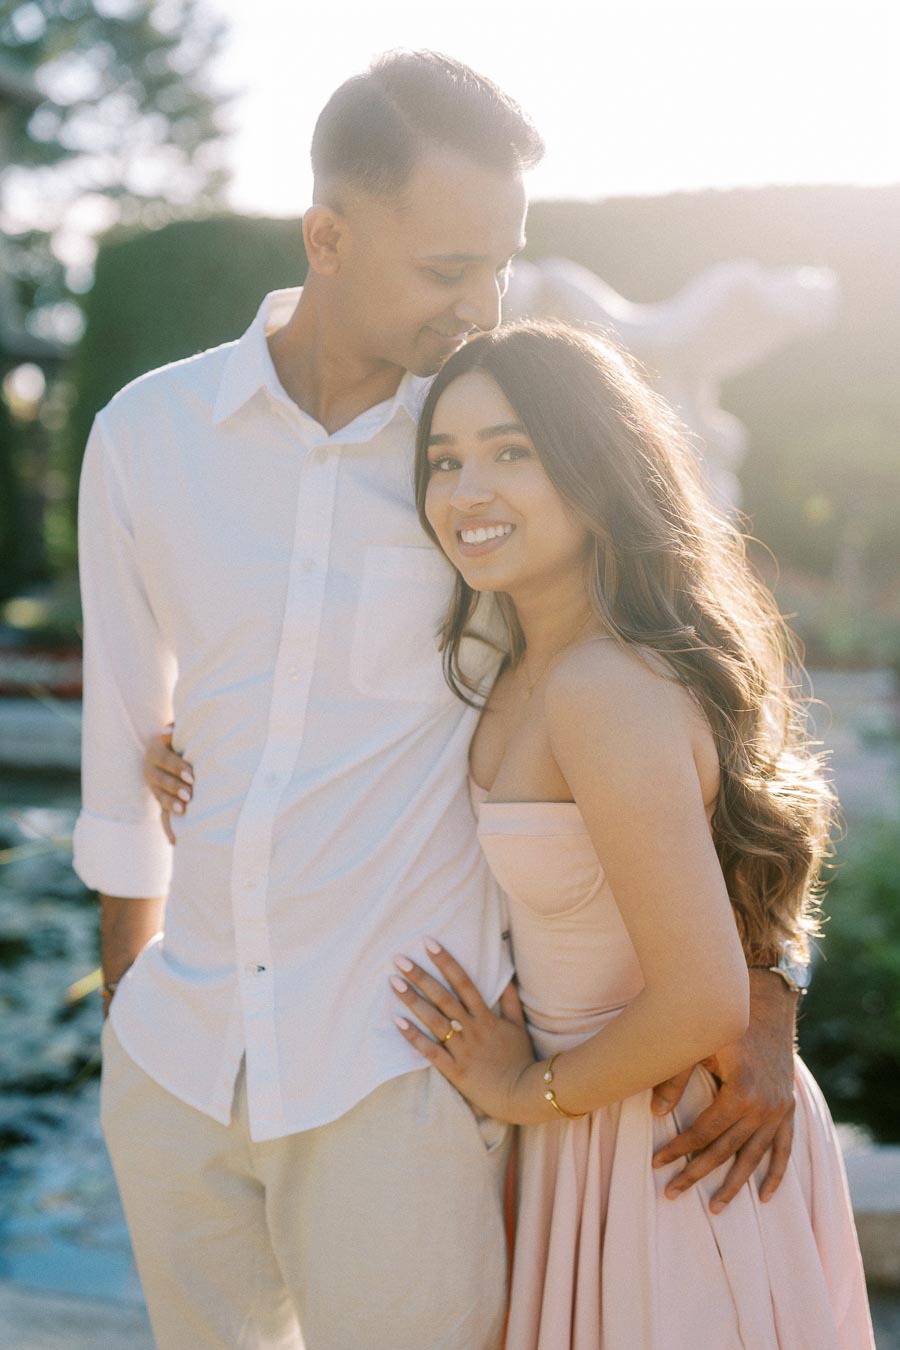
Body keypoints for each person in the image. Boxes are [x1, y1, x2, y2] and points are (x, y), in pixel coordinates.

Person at [90, 49, 794, 1350]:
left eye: (500, 264)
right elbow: (119, 751)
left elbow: (709, 712)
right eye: (447, 269)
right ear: (329, 235)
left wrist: (769, 985)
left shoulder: (489, 449)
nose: (482, 304)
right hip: (178, 1058)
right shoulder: (149, 432)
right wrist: (125, 1018)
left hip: (399, 1069)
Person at [380, 320, 872, 1348]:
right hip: (599, 1133)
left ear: (597, 474)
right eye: (445, 460)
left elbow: (700, 998)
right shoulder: (513, 661)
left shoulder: (602, 686)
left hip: (667, 1144)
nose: (467, 490)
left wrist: (524, 1088)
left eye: (512, 451)